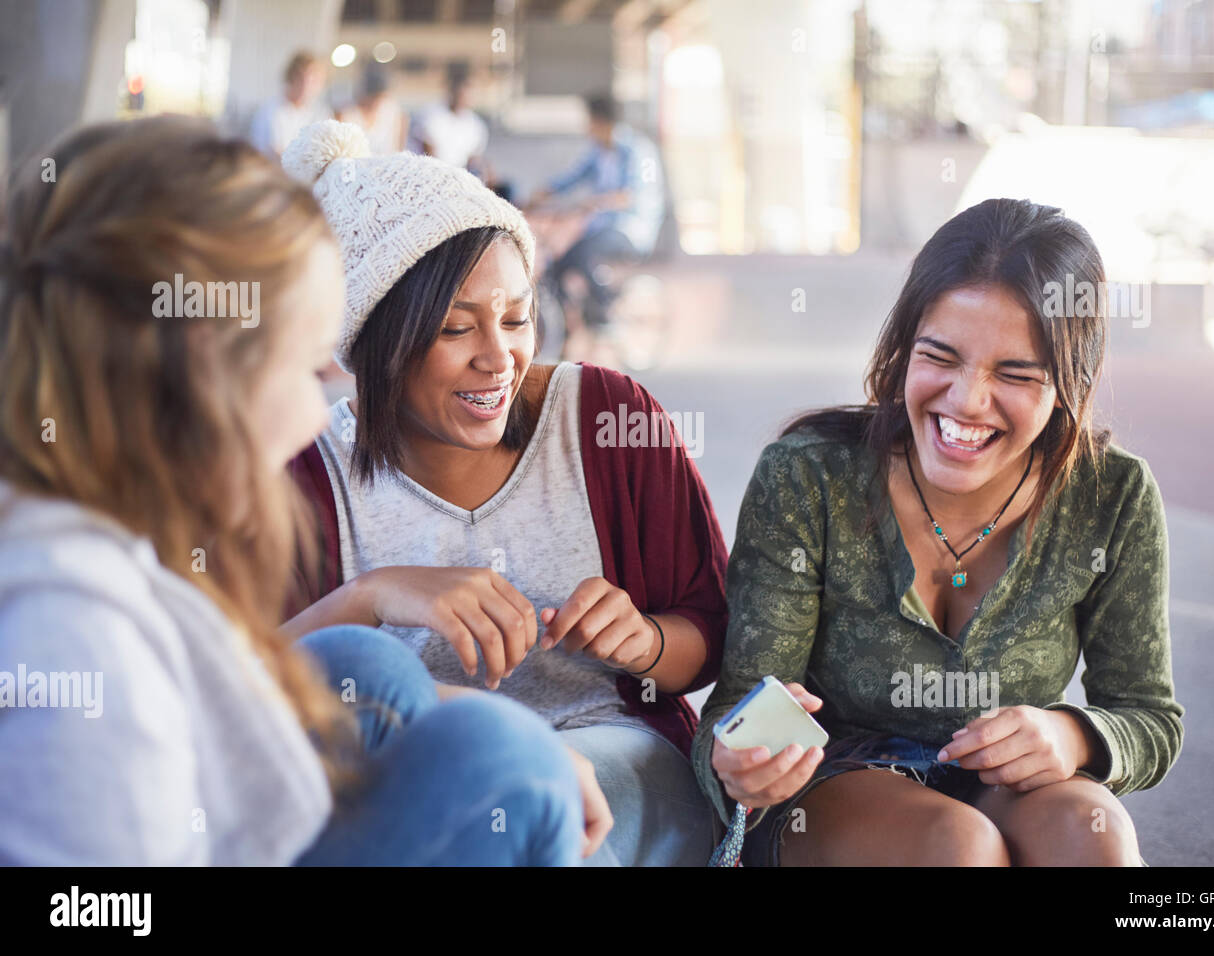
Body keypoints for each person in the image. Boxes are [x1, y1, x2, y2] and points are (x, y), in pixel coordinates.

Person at [0, 115, 606, 865]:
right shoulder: (70, 637)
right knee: (500, 762)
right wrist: (524, 757)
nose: (310, 417)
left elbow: (226, 681)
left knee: (365, 666)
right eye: (300, 369)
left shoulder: (62, 535)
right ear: (197, 373)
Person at [280, 120, 726, 866]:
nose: (500, 357)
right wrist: (373, 596)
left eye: (518, 318)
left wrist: (643, 640)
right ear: (375, 345)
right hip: (428, 776)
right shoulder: (308, 473)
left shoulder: (610, 420)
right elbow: (244, 689)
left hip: (614, 758)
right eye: (458, 329)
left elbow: (709, 640)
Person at [695, 198, 1185, 867]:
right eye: (940, 356)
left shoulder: (1113, 495)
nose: (966, 401)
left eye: (1015, 374)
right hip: (837, 784)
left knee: (1089, 832)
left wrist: (1072, 735)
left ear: (1069, 382)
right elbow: (742, 705)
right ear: (902, 349)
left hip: (1009, 785)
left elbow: (1148, 717)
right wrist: (740, 761)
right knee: (958, 846)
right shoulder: (811, 476)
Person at [527, 94, 665, 334]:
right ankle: (566, 329)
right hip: (601, 228)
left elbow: (636, 193)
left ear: (602, 122)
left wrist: (597, 202)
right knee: (559, 264)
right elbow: (572, 178)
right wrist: (542, 195)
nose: (587, 128)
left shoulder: (640, 151)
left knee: (584, 253)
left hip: (630, 230)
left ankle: (605, 310)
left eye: (589, 121)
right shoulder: (597, 153)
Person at [248, 51, 329, 159]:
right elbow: (276, 152)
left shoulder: (321, 112)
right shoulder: (270, 111)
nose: (307, 85)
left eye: (314, 80)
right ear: (291, 77)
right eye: (302, 78)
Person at [338, 63, 407, 156]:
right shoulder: (346, 115)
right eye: (373, 97)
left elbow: (399, 150)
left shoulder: (395, 113)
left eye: (381, 97)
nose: (376, 102)